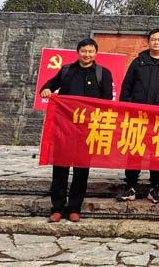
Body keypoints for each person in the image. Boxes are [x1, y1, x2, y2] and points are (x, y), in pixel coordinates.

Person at [39, 38, 113, 222]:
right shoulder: (66, 71)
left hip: (87, 130)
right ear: (77, 52)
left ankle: (74, 207)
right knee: (60, 168)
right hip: (64, 129)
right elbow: (47, 86)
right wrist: (46, 90)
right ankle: (57, 207)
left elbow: (107, 104)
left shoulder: (103, 74)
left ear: (96, 53)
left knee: (81, 170)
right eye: (83, 51)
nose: (87, 55)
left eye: (90, 51)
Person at [116, 28, 159, 204]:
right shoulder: (138, 62)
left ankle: (155, 187)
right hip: (138, 117)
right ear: (148, 42)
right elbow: (126, 87)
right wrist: (123, 109)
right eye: (153, 39)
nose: (156, 42)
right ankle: (130, 185)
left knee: (157, 153)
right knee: (134, 150)